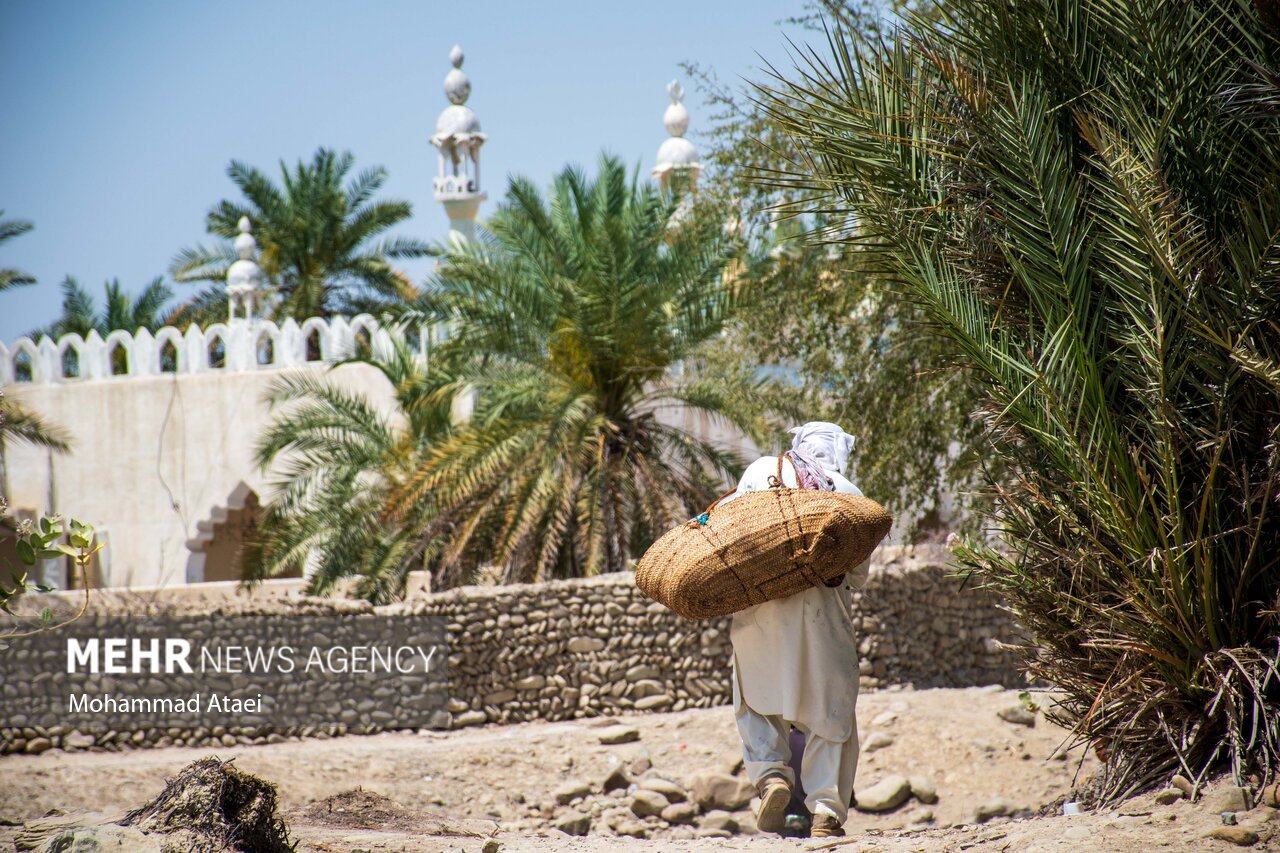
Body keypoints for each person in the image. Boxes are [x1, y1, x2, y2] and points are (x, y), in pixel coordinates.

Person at [719, 422, 868, 839]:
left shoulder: (760, 472)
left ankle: (771, 777)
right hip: (824, 621)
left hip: (759, 612)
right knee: (830, 714)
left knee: (754, 699)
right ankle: (824, 811)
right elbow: (857, 576)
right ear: (838, 450)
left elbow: (730, 532)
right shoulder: (848, 492)